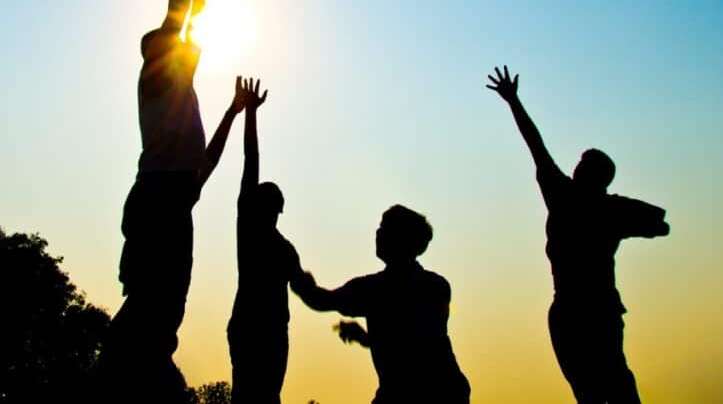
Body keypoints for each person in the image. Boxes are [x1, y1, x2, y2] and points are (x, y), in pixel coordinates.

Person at [98, 0, 244, 401]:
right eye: (167, 37)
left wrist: (233, 112)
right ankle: (123, 372)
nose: (175, 37)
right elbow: (179, 10)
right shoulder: (156, 76)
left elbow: (208, 166)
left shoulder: (183, 98)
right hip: (156, 195)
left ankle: (141, 370)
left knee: (163, 308)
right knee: (151, 304)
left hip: (169, 198)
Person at [486, 65, 670, 404]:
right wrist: (513, 102)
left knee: (607, 387)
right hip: (578, 312)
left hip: (588, 312)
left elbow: (536, 146)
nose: (576, 167)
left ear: (593, 175)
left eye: (583, 165)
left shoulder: (571, 198)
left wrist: (514, 102)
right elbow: (660, 224)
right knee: (606, 388)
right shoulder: (590, 202)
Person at [293, 205, 471, 404]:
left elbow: (322, 301)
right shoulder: (435, 285)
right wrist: (368, 338)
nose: (378, 233)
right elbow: (409, 340)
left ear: (403, 239)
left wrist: (296, 277)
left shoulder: (376, 289)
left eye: (385, 228)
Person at [227, 77, 309, 404]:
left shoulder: (279, 246)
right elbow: (251, 159)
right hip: (254, 328)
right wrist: (250, 113)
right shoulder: (252, 228)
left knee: (261, 396)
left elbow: (305, 288)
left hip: (270, 331)